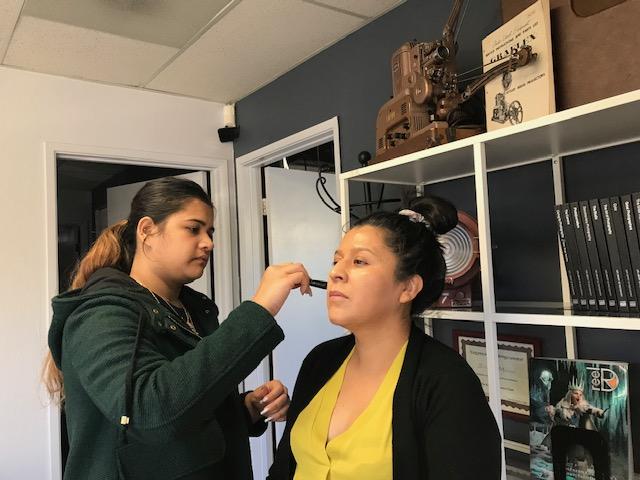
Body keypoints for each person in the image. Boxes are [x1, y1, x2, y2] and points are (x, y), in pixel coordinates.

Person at [43, 177, 311, 480]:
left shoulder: (193, 311)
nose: (208, 242)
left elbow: (188, 407)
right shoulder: (101, 314)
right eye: (193, 229)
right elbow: (150, 412)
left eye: (210, 232)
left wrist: (244, 410)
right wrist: (260, 309)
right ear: (147, 230)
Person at [268, 196, 502, 480]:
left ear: (408, 288)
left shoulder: (447, 383)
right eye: (336, 260)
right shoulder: (320, 361)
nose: (335, 273)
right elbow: (283, 469)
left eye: (359, 261)